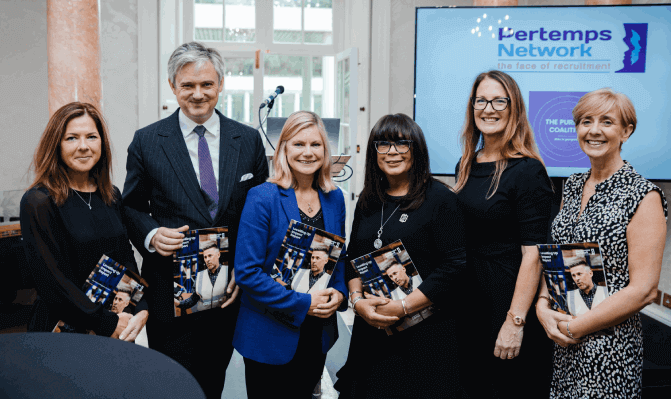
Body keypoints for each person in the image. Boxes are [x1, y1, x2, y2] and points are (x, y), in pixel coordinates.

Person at [122, 42, 268, 398]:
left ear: (220, 84)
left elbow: (261, 211)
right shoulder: (146, 141)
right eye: (187, 85)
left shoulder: (248, 140)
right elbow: (129, 206)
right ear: (173, 87)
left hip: (230, 290)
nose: (198, 94)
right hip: (170, 289)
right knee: (172, 383)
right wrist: (152, 233)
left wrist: (246, 267)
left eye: (206, 84)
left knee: (213, 378)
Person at [536, 88, 667, 398]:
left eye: (607, 121)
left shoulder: (643, 195)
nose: (593, 130)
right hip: (565, 343)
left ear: (626, 130)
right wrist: (543, 307)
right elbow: (561, 254)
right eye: (585, 121)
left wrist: (575, 328)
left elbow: (644, 289)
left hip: (610, 347)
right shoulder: (572, 184)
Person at [336, 113, 467, 398]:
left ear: (416, 149)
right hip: (371, 332)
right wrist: (358, 303)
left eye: (402, 144)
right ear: (374, 152)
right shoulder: (368, 200)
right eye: (383, 144)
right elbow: (353, 258)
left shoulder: (441, 200)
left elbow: (454, 267)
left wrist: (404, 307)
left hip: (426, 337)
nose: (392, 152)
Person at [233, 111, 347, 398]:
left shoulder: (335, 198)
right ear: (283, 148)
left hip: (317, 333)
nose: (308, 152)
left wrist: (340, 293)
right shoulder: (263, 197)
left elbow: (339, 257)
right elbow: (248, 272)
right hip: (269, 334)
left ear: (325, 150)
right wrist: (303, 303)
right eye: (298, 144)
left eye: (315, 144)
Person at [454, 70, 553, 398]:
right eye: (481, 100)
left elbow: (534, 255)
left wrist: (515, 322)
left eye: (499, 100)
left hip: (507, 307)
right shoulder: (466, 164)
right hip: (470, 306)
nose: (489, 108)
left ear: (514, 108)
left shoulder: (528, 171)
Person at [20, 102, 147, 340]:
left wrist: (140, 305)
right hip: (63, 328)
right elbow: (53, 283)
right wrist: (106, 322)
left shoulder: (111, 194)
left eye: (91, 136)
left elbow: (123, 253)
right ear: (55, 144)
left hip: (112, 322)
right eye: (71, 138)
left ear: (102, 143)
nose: (83, 146)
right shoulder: (38, 201)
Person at [194, 243, 228, 309]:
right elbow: (193, 298)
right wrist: (179, 303)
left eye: (210, 256)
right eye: (205, 257)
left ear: (218, 255)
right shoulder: (199, 275)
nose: (207, 260)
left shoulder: (228, 271)